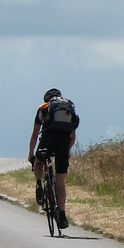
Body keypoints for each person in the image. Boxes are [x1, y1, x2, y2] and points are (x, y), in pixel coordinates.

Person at [28, 88, 79, 230]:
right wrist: (67, 151)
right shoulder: (69, 108)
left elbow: (35, 134)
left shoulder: (43, 108)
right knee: (60, 181)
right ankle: (62, 215)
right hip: (63, 143)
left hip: (47, 141)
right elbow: (72, 136)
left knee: (38, 162)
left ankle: (39, 184)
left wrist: (31, 154)